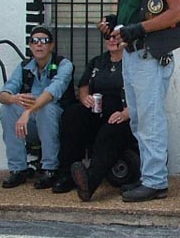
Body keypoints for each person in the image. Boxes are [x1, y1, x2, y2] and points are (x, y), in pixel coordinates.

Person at [98, 0, 180, 203]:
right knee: (138, 120)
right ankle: (150, 176)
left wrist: (138, 29)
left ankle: (155, 182)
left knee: (150, 121)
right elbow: (135, 13)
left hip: (151, 55)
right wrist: (115, 23)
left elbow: (177, 12)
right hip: (133, 54)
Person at [57, 19, 136, 201]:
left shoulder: (134, 63)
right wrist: (85, 98)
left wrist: (127, 112)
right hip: (97, 112)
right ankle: (66, 173)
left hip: (122, 116)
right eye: (108, 36)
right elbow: (84, 87)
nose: (111, 40)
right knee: (73, 114)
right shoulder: (98, 62)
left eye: (115, 36)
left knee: (110, 130)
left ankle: (89, 182)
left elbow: (144, 93)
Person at [0, 26, 72, 189]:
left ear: (51, 45)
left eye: (44, 41)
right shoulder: (24, 67)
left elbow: (52, 92)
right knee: (7, 109)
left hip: (58, 122)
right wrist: (13, 98)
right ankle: (18, 169)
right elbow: (2, 94)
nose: (39, 44)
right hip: (31, 123)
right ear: (30, 46)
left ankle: (50, 169)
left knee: (46, 108)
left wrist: (28, 111)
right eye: (35, 41)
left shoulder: (63, 64)